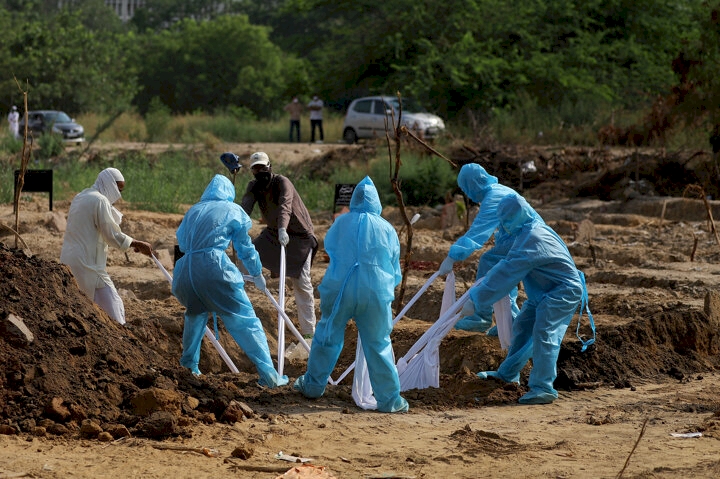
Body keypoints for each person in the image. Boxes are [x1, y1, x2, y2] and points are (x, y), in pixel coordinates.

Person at [294, 176, 409, 413]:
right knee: (379, 343)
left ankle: (313, 386)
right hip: (376, 290)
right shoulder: (387, 228)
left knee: (327, 336)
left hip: (340, 288)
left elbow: (332, 250)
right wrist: (385, 286)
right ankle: (389, 400)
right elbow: (394, 269)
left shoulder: (340, 223)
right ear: (377, 201)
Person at [463, 195, 583, 404]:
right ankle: (507, 374)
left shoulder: (533, 237)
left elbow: (508, 270)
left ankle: (543, 387)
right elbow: (507, 266)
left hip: (562, 291)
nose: (503, 226)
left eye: (506, 221)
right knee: (523, 327)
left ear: (516, 217)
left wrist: (477, 298)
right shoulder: (527, 231)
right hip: (544, 291)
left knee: (544, 333)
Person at [172, 174, 288, 386]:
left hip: (185, 272)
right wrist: (257, 273)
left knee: (195, 316)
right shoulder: (233, 210)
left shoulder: (193, 210)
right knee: (246, 321)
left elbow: (181, 243)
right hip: (214, 268)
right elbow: (245, 248)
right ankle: (270, 376)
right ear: (229, 193)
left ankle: (188, 368)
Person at [438, 163, 543, 333]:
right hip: (526, 239)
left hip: (525, 239)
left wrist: (453, 256)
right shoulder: (497, 190)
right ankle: (509, 322)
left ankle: (481, 316)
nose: (466, 194)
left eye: (466, 189)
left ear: (473, 185)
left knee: (490, 262)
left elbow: (478, 232)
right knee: (504, 274)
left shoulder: (493, 197)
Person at [60, 168, 154, 325]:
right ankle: (122, 338)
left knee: (82, 307)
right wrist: (138, 243)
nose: (119, 194)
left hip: (68, 260)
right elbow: (111, 235)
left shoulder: (80, 196)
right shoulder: (99, 201)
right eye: (118, 188)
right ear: (109, 184)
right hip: (88, 264)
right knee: (114, 305)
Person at [241, 151, 318, 338]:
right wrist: (237, 225)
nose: (260, 172)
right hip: (273, 234)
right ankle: (235, 313)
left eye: (263, 167)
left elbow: (286, 206)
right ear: (252, 171)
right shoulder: (254, 186)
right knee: (244, 260)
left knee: (301, 283)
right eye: (256, 169)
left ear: (270, 166)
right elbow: (245, 208)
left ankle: (309, 334)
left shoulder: (282, 182)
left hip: (299, 236)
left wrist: (284, 228)